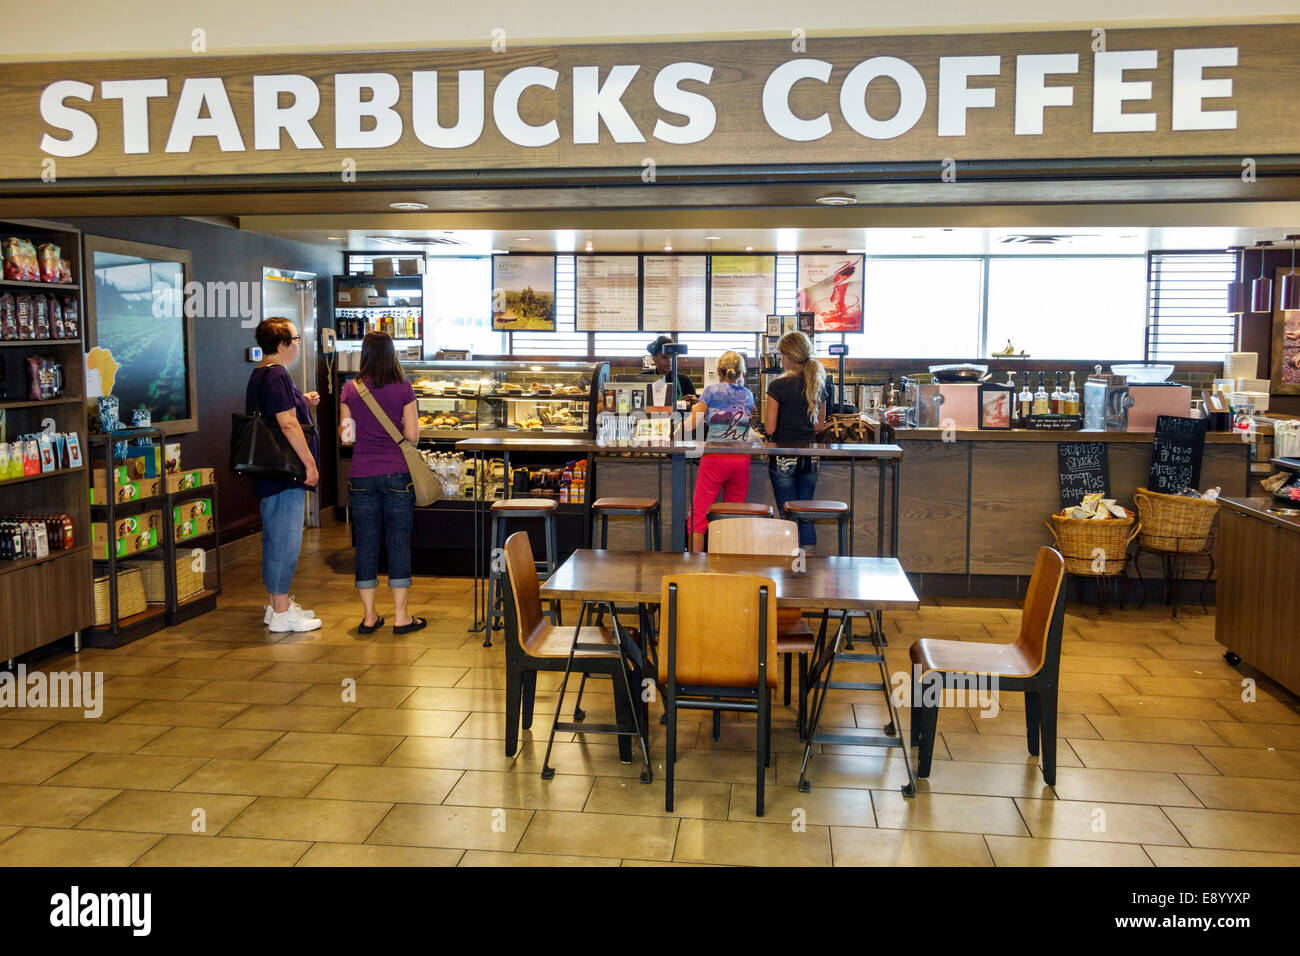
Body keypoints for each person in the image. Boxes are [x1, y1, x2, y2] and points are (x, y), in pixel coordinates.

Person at [339, 332, 427, 634]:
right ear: (392, 354)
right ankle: (401, 617)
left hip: (362, 474)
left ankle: (369, 617)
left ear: (364, 355)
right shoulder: (403, 387)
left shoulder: (350, 389)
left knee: (365, 545)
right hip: (397, 474)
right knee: (399, 542)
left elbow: (346, 438)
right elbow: (413, 435)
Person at [247, 317, 322, 632]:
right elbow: (288, 424)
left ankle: (276, 605)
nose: (298, 344)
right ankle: (280, 613)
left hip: (270, 472)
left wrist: (301, 401)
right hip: (284, 472)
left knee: (277, 537)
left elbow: (277, 413)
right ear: (282, 344)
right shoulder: (277, 375)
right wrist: (310, 463)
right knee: (285, 541)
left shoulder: (261, 373)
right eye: (295, 338)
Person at [764, 331, 829, 553]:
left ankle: (790, 566)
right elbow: (819, 426)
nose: (781, 359)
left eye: (782, 354)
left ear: (789, 356)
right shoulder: (818, 382)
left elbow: (770, 428)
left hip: (784, 457)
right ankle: (808, 565)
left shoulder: (777, 386)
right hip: (810, 456)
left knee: (788, 513)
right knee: (805, 512)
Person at [687, 351, 754, 552]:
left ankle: (695, 567)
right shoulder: (748, 394)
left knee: (698, 517)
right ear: (742, 373)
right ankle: (728, 567)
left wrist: (691, 412)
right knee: (732, 516)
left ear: (717, 371)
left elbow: (693, 424)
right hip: (741, 459)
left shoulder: (711, 390)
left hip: (715, 458)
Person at [647, 334, 697, 402]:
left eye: (672, 357)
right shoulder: (644, 378)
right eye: (664, 357)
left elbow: (693, 408)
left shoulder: (685, 381)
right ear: (654, 358)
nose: (669, 361)